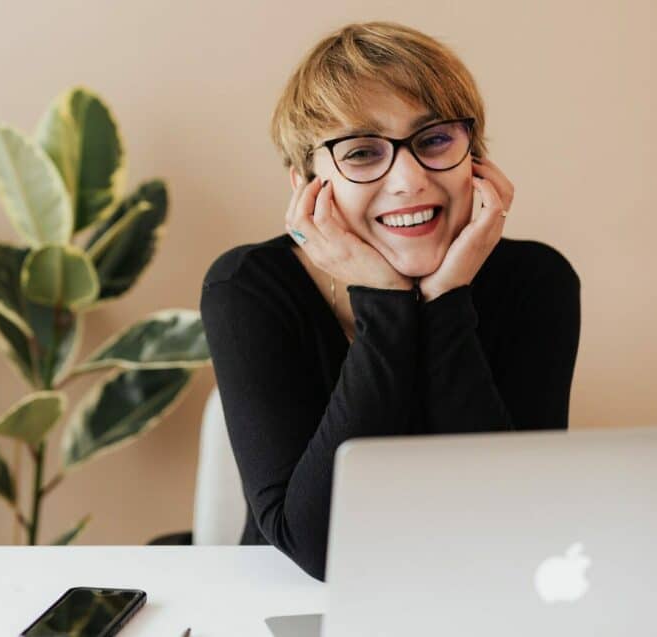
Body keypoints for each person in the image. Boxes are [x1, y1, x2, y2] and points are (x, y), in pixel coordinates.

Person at [200, 21, 580, 582]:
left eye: (433, 141)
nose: (408, 180)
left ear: (475, 157)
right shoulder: (248, 287)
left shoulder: (537, 280)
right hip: (293, 603)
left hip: (477, 593)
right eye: (360, 152)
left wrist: (446, 300)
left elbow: (515, 520)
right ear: (307, 183)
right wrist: (384, 302)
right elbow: (318, 548)